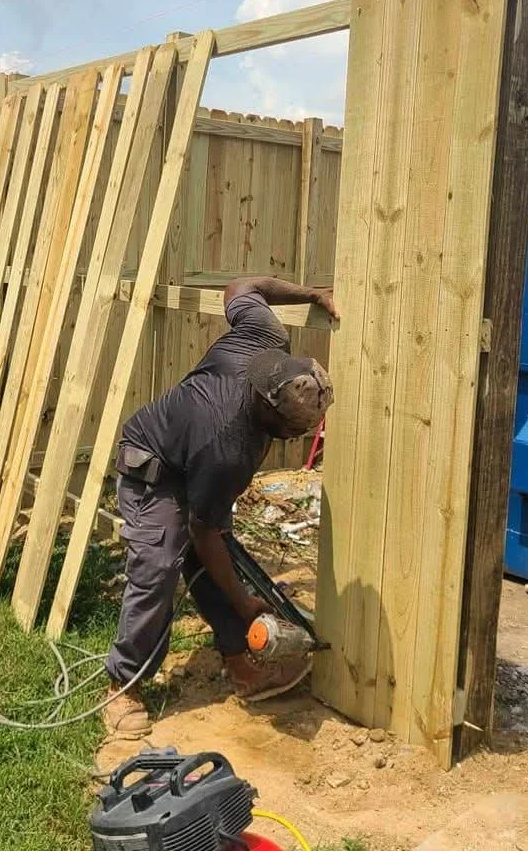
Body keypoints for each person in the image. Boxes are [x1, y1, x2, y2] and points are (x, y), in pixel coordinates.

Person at [103, 275, 338, 738]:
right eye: (294, 429)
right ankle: (122, 685)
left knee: (218, 562)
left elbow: (242, 286)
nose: (298, 438)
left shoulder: (263, 338)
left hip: (193, 460)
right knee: (159, 564)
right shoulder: (229, 444)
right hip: (155, 468)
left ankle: (237, 659)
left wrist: (314, 294)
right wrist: (246, 603)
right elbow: (204, 531)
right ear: (269, 410)